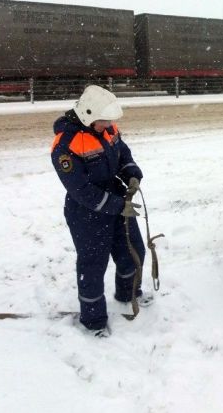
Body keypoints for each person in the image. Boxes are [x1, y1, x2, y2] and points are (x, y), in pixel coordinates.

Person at [51, 85, 150, 337]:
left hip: (116, 199)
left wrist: (131, 173)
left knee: (133, 250)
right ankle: (93, 320)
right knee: (93, 265)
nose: (109, 125)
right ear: (87, 115)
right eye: (104, 121)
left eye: (110, 121)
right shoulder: (65, 145)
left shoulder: (107, 127)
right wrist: (119, 206)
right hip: (86, 212)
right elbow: (81, 190)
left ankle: (128, 292)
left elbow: (122, 151)